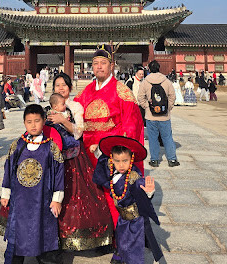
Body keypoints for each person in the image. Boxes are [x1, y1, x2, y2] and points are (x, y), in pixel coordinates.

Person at [74, 44, 145, 225]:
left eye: (103, 63)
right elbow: (73, 113)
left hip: (110, 155)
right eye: (95, 63)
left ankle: (118, 233)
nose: (99, 67)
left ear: (111, 66)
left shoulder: (122, 92)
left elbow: (132, 126)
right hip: (87, 154)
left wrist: (117, 153)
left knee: (113, 195)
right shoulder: (85, 92)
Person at [45, 78, 114, 251]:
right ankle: (51, 238)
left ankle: (86, 235)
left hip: (74, 156)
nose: (61, 88)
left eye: (64, 85)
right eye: (57, 85)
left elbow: (79, 132)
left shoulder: (75, 107)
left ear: (70, 87)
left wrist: (63, 121)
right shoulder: (48, 109)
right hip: (53, 157)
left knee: (80, 195)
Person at [0, 104, 64, 264]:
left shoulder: (51, 147)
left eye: (37, 121)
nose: (33, 125)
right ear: (24, 123)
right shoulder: (17, 145)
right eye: (29, 122)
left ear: (44, 121)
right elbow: (9, 169)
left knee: (43, 234)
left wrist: (57, 199)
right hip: (20, 201)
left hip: (42, 200)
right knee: (17, 236)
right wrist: (5, 193)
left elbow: (59, 174)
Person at [93, 136, 163, 264]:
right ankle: (119, 258)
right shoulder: (113, 170)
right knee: (121, 240)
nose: (121, 165)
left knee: (133, 248)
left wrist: (149, 192)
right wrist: (97, 150)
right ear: (112, 159)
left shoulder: (133, 177)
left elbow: (140, 190)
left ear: (131, 159)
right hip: (123, 218)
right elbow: (103, 163)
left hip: (135, 221)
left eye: (125, 161)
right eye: (117, 161)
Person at [137, 60, 178, 168]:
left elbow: (140, 97)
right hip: (164, 116)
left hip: (151, 116)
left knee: (153, 138)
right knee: (167, 137)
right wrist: (168, 108)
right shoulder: (166, 81)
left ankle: (154, 160)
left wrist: (147, 107)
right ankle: (172, 159)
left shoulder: (145, 82)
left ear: (149, 69)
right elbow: (172, 96)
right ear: (159, 68)